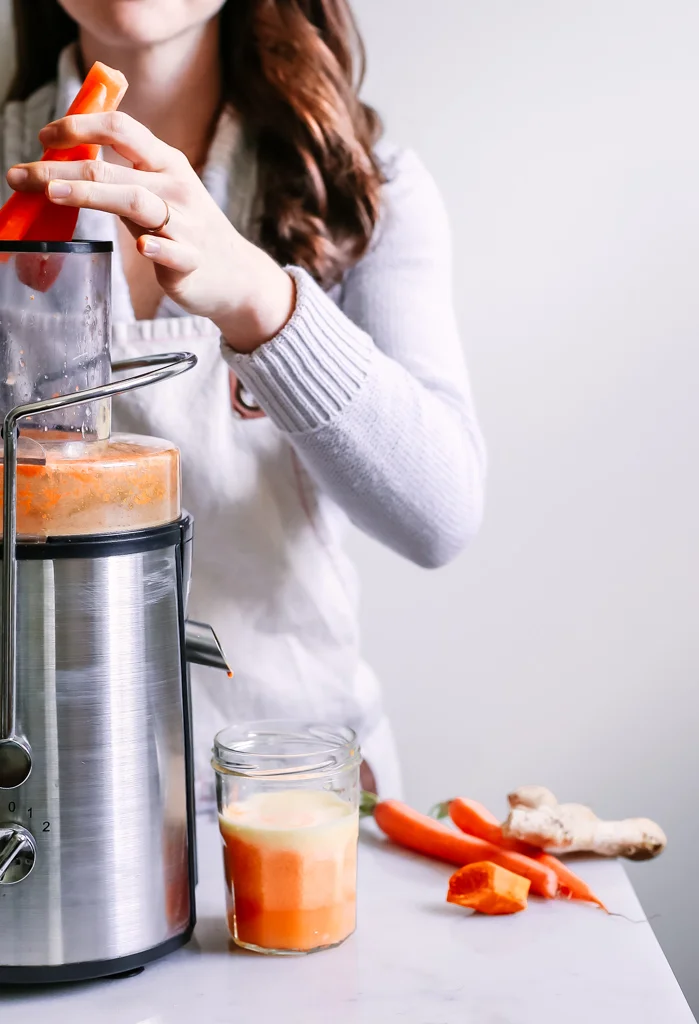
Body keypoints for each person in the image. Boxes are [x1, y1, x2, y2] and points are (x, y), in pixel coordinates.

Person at [1, 0, 486, 806]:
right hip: (42, 807)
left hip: (298, 802)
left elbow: (441, 515)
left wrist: (262, 299)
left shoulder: (361, 189)